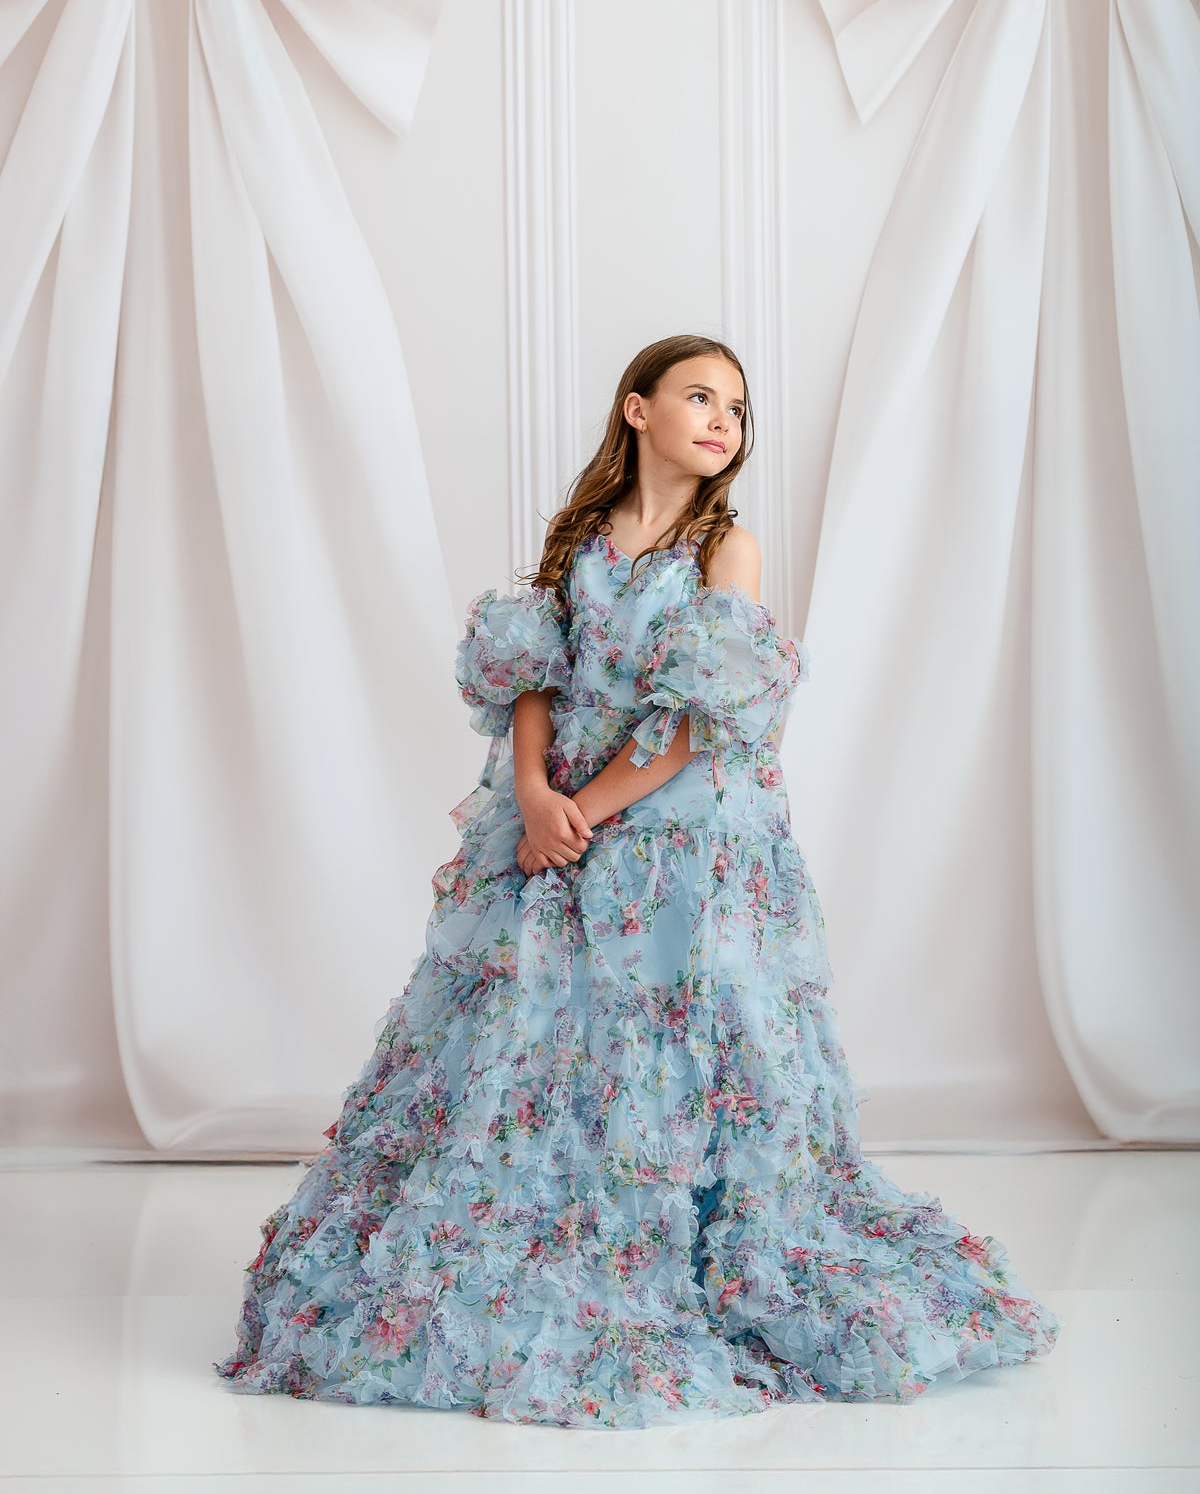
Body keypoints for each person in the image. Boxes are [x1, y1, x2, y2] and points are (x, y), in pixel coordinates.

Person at [213, 332, 1060, 1426]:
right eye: (700, 397)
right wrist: (531, 793)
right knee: (535, 1041)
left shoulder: (728, 550)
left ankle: (689, 1231)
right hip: (552, 827)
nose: (723, 422)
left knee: (673, 1043)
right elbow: (532, 677)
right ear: (636, 409)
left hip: (674, 842)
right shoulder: (579, 544)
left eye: (740, 411)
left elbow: (699, 721)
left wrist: (582, 815)